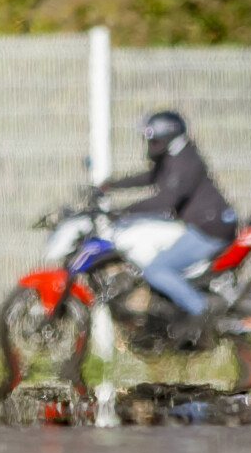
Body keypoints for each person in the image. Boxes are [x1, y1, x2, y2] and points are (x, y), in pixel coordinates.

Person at [98, 110, 240, 347]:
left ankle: (200, 310)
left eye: (154, 140)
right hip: (203, 227)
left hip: (209, 232)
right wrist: (109, 186)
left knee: (155, 269)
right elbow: (150, 177)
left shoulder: (185, 162)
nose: (150, 145)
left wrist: (123, 211)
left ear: (168, 137)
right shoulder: (175, 156)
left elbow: (165, 202)